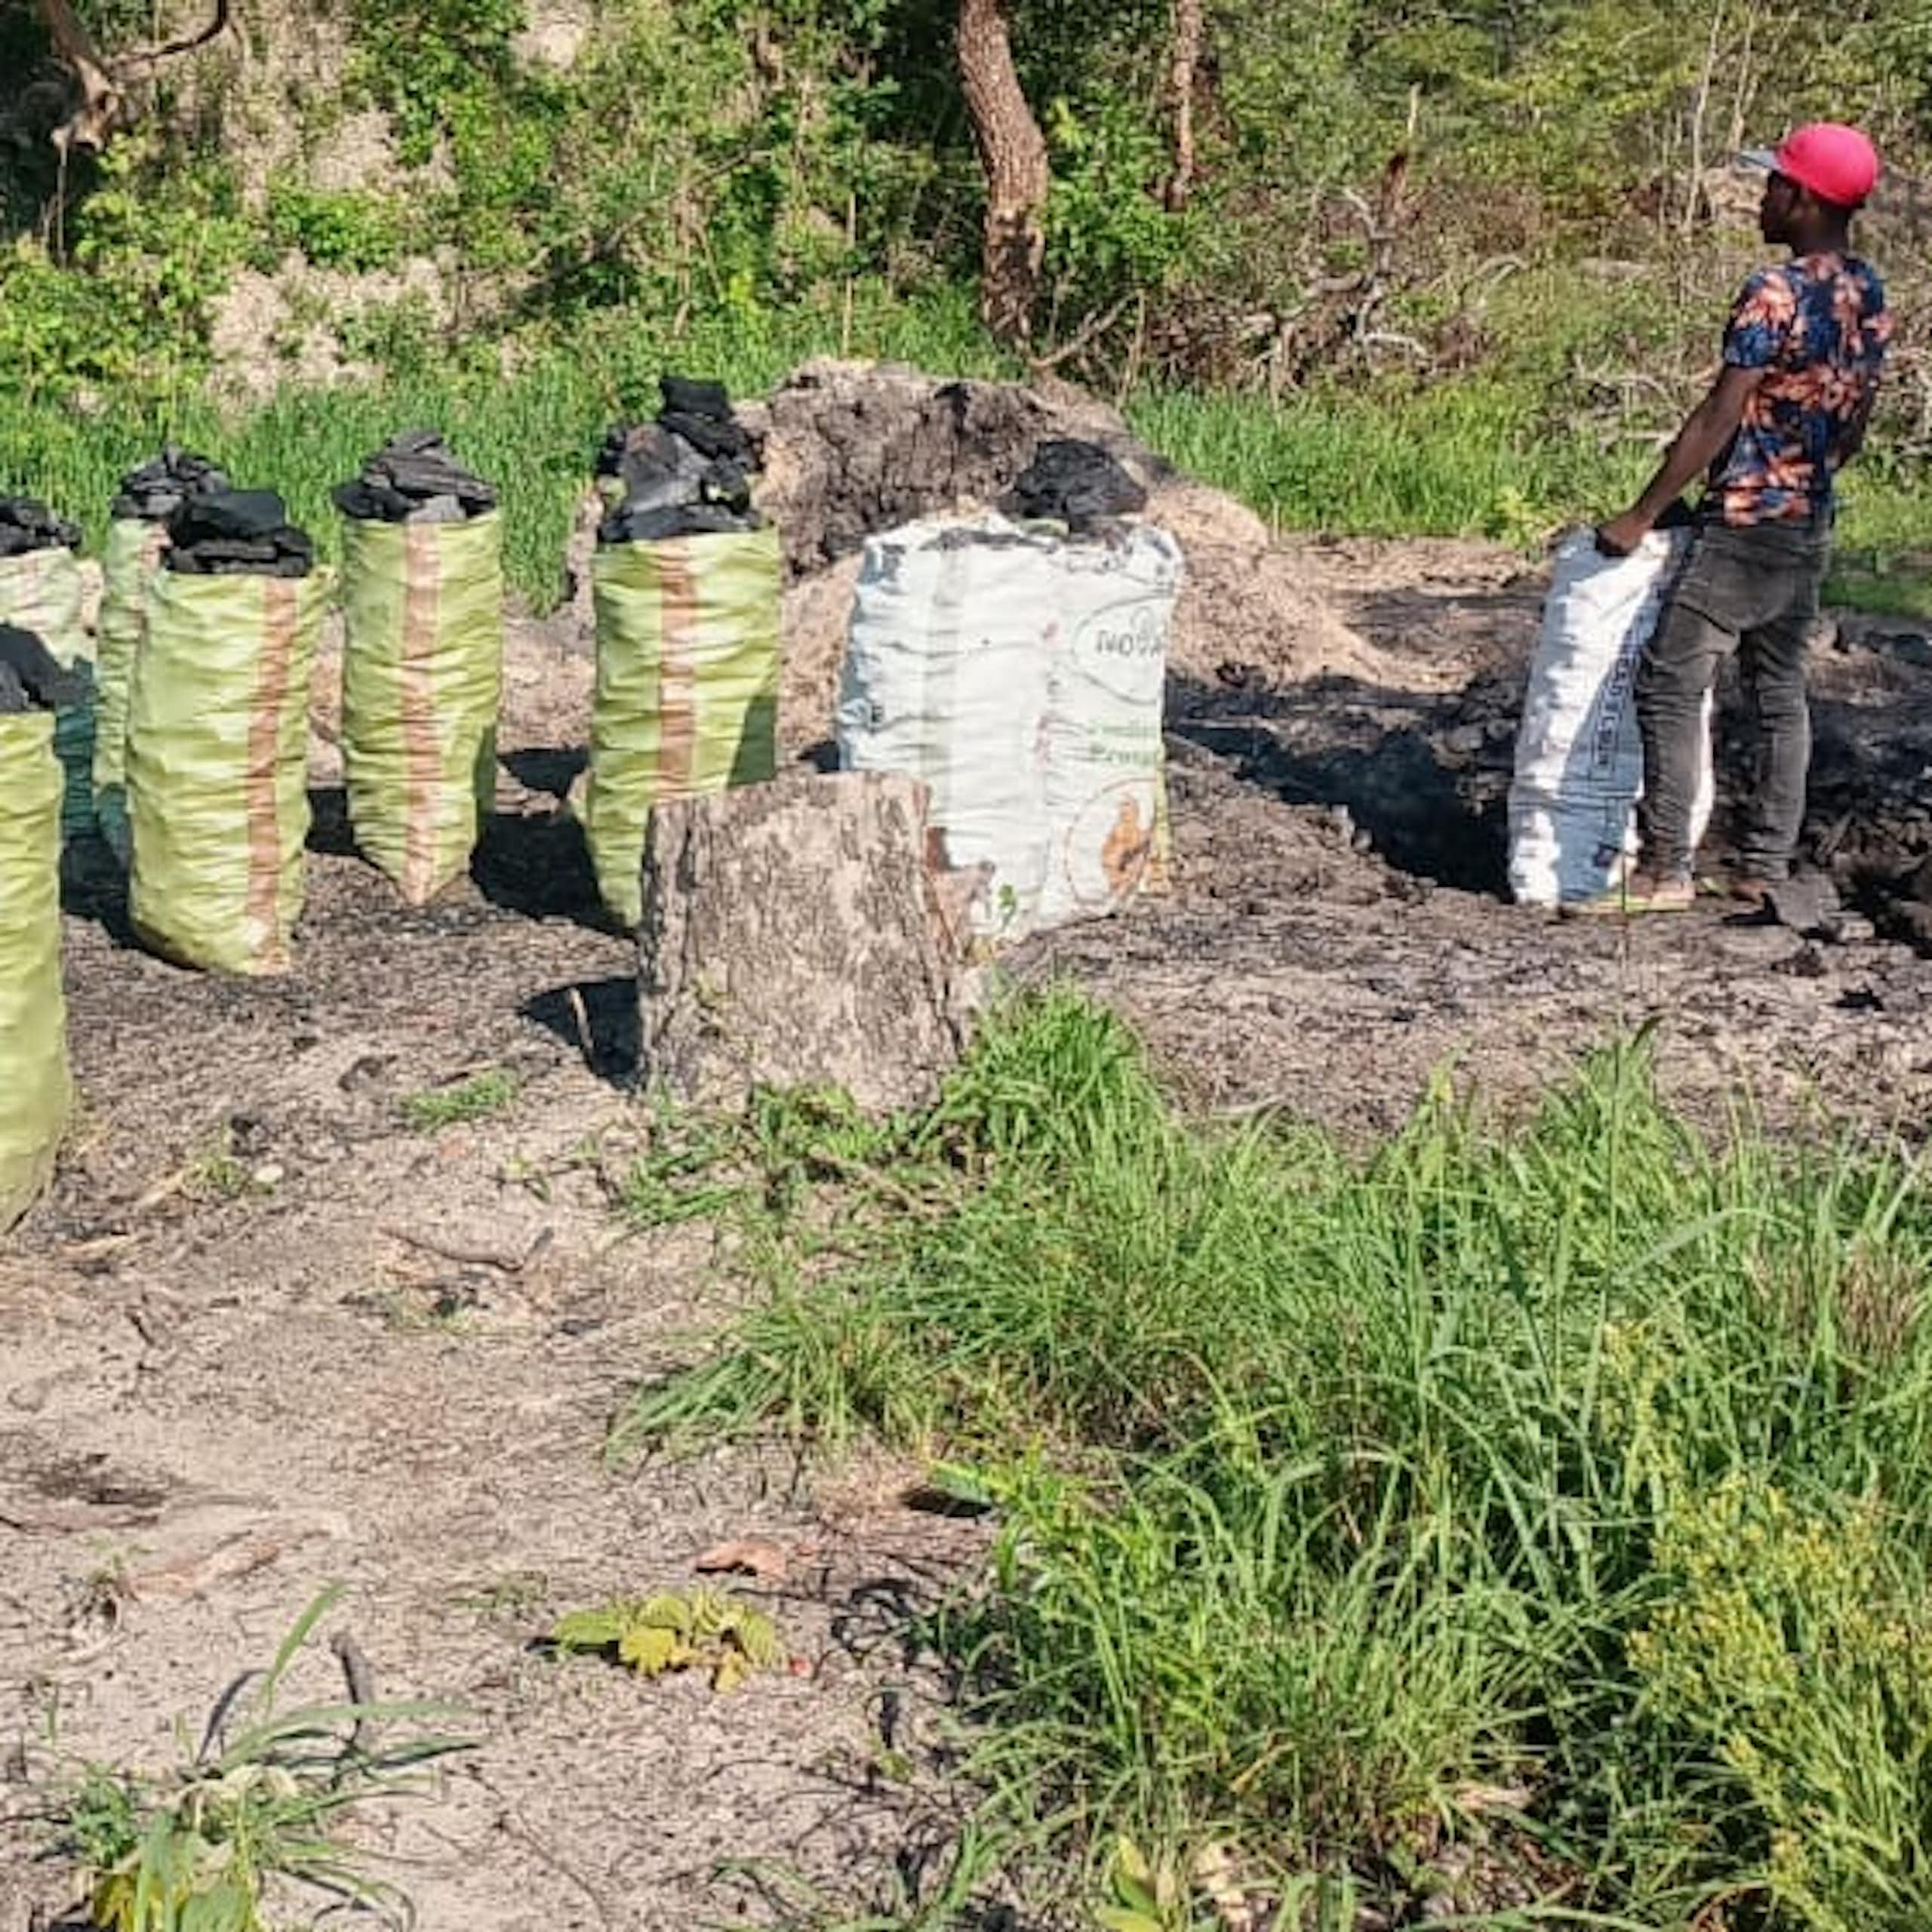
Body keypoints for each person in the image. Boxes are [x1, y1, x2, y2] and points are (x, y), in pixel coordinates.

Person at [1571, 122, 1891, 916]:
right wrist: (1811, 481)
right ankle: (1765, 865)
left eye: (1772, 185)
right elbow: (1857, 414)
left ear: (1804, 200)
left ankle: (1665, 870)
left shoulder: (1772, 293)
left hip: (1745, 526)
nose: (1760, 197)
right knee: (1779, 688)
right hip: (1807, 522)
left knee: (1670, 682)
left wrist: (1639, 514)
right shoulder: (1863, 287)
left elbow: (1719, 414)